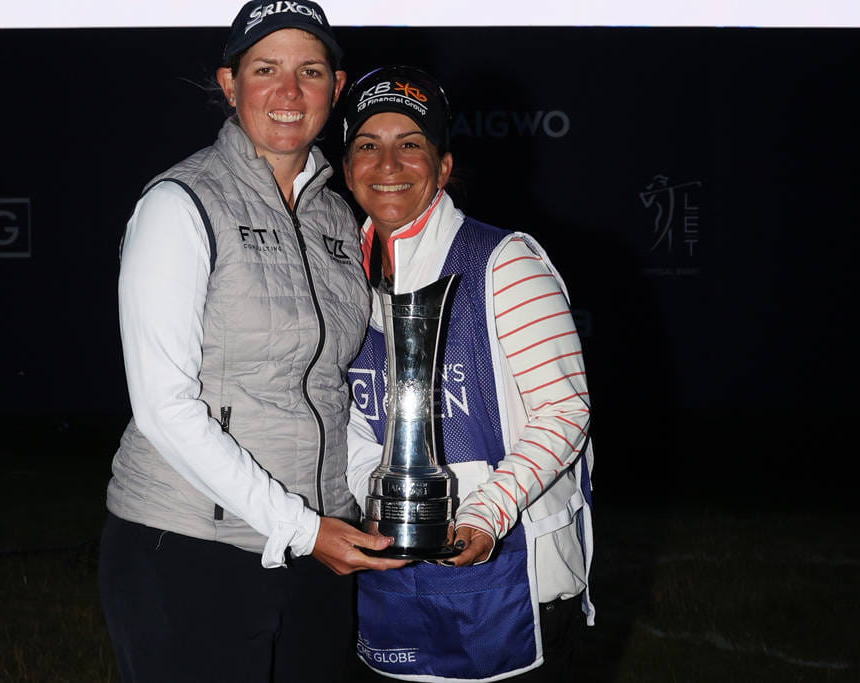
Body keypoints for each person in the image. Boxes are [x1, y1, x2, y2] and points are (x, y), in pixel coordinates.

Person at [97, 5, 408, 682]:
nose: (288, 93)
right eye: (266, 70)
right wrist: (300, 526)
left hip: (319, 547)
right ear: (230, 84)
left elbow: (337, 386)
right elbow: (163, 407)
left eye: (310, 72)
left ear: (336, 87)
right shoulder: (180, 203)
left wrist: (360, 502)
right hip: (190, 547)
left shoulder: (337, 215)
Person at [342, 66, 596, 682]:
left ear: (444, 166)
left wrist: (487, 513)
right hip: (394, 586)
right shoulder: (342, 275)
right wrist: (368, 499)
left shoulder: (503, 262)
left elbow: (566, 412)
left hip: (517, 579)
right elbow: (349, 416)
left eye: (411, 145)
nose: (388, 164)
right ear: (347, 167)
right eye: (368, 145)